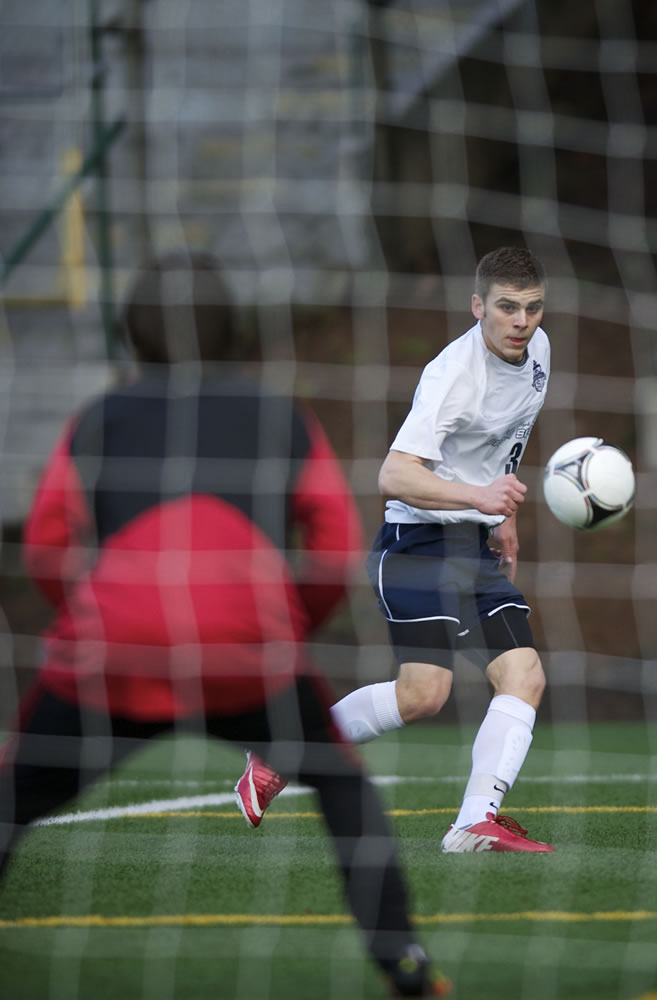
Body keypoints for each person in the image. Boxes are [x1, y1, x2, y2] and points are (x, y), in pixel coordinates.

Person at [0, 253, 451, 997]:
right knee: (342, 788)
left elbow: (48, 539)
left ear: (128, 336)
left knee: (16, 796)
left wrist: (95, 616)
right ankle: (404, 963)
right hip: (247, 652)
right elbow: (335, 541)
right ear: (237, 333)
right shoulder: (280, 415)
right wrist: (286, 627)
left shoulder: (97, 417)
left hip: (113, 650)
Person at [236, 245, 555, 854]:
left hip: (473, 543)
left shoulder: (538, 349)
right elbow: (394, 475)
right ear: (477, 307)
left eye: (533, 308)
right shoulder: (451, 375)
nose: (521, 322)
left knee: (525, 674)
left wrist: (500, 516)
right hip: (415, 545)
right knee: (423, 694)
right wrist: (480, 498)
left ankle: (473, 823)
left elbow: (507, 435)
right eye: (507, 308)